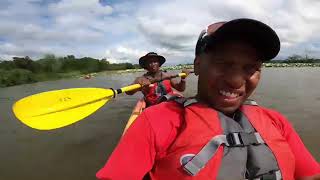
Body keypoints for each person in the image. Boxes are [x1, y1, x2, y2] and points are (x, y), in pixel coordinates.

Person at [96, 18, 320, 180]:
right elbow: (133, 92)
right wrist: (141, 87)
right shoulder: (151, 111)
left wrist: (180, 82)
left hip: (171, 98)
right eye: (222, 64)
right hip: (155, 104)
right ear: (198, 65)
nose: (235, 80)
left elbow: (180, 87)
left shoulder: (276, 121)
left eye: (251, 67)